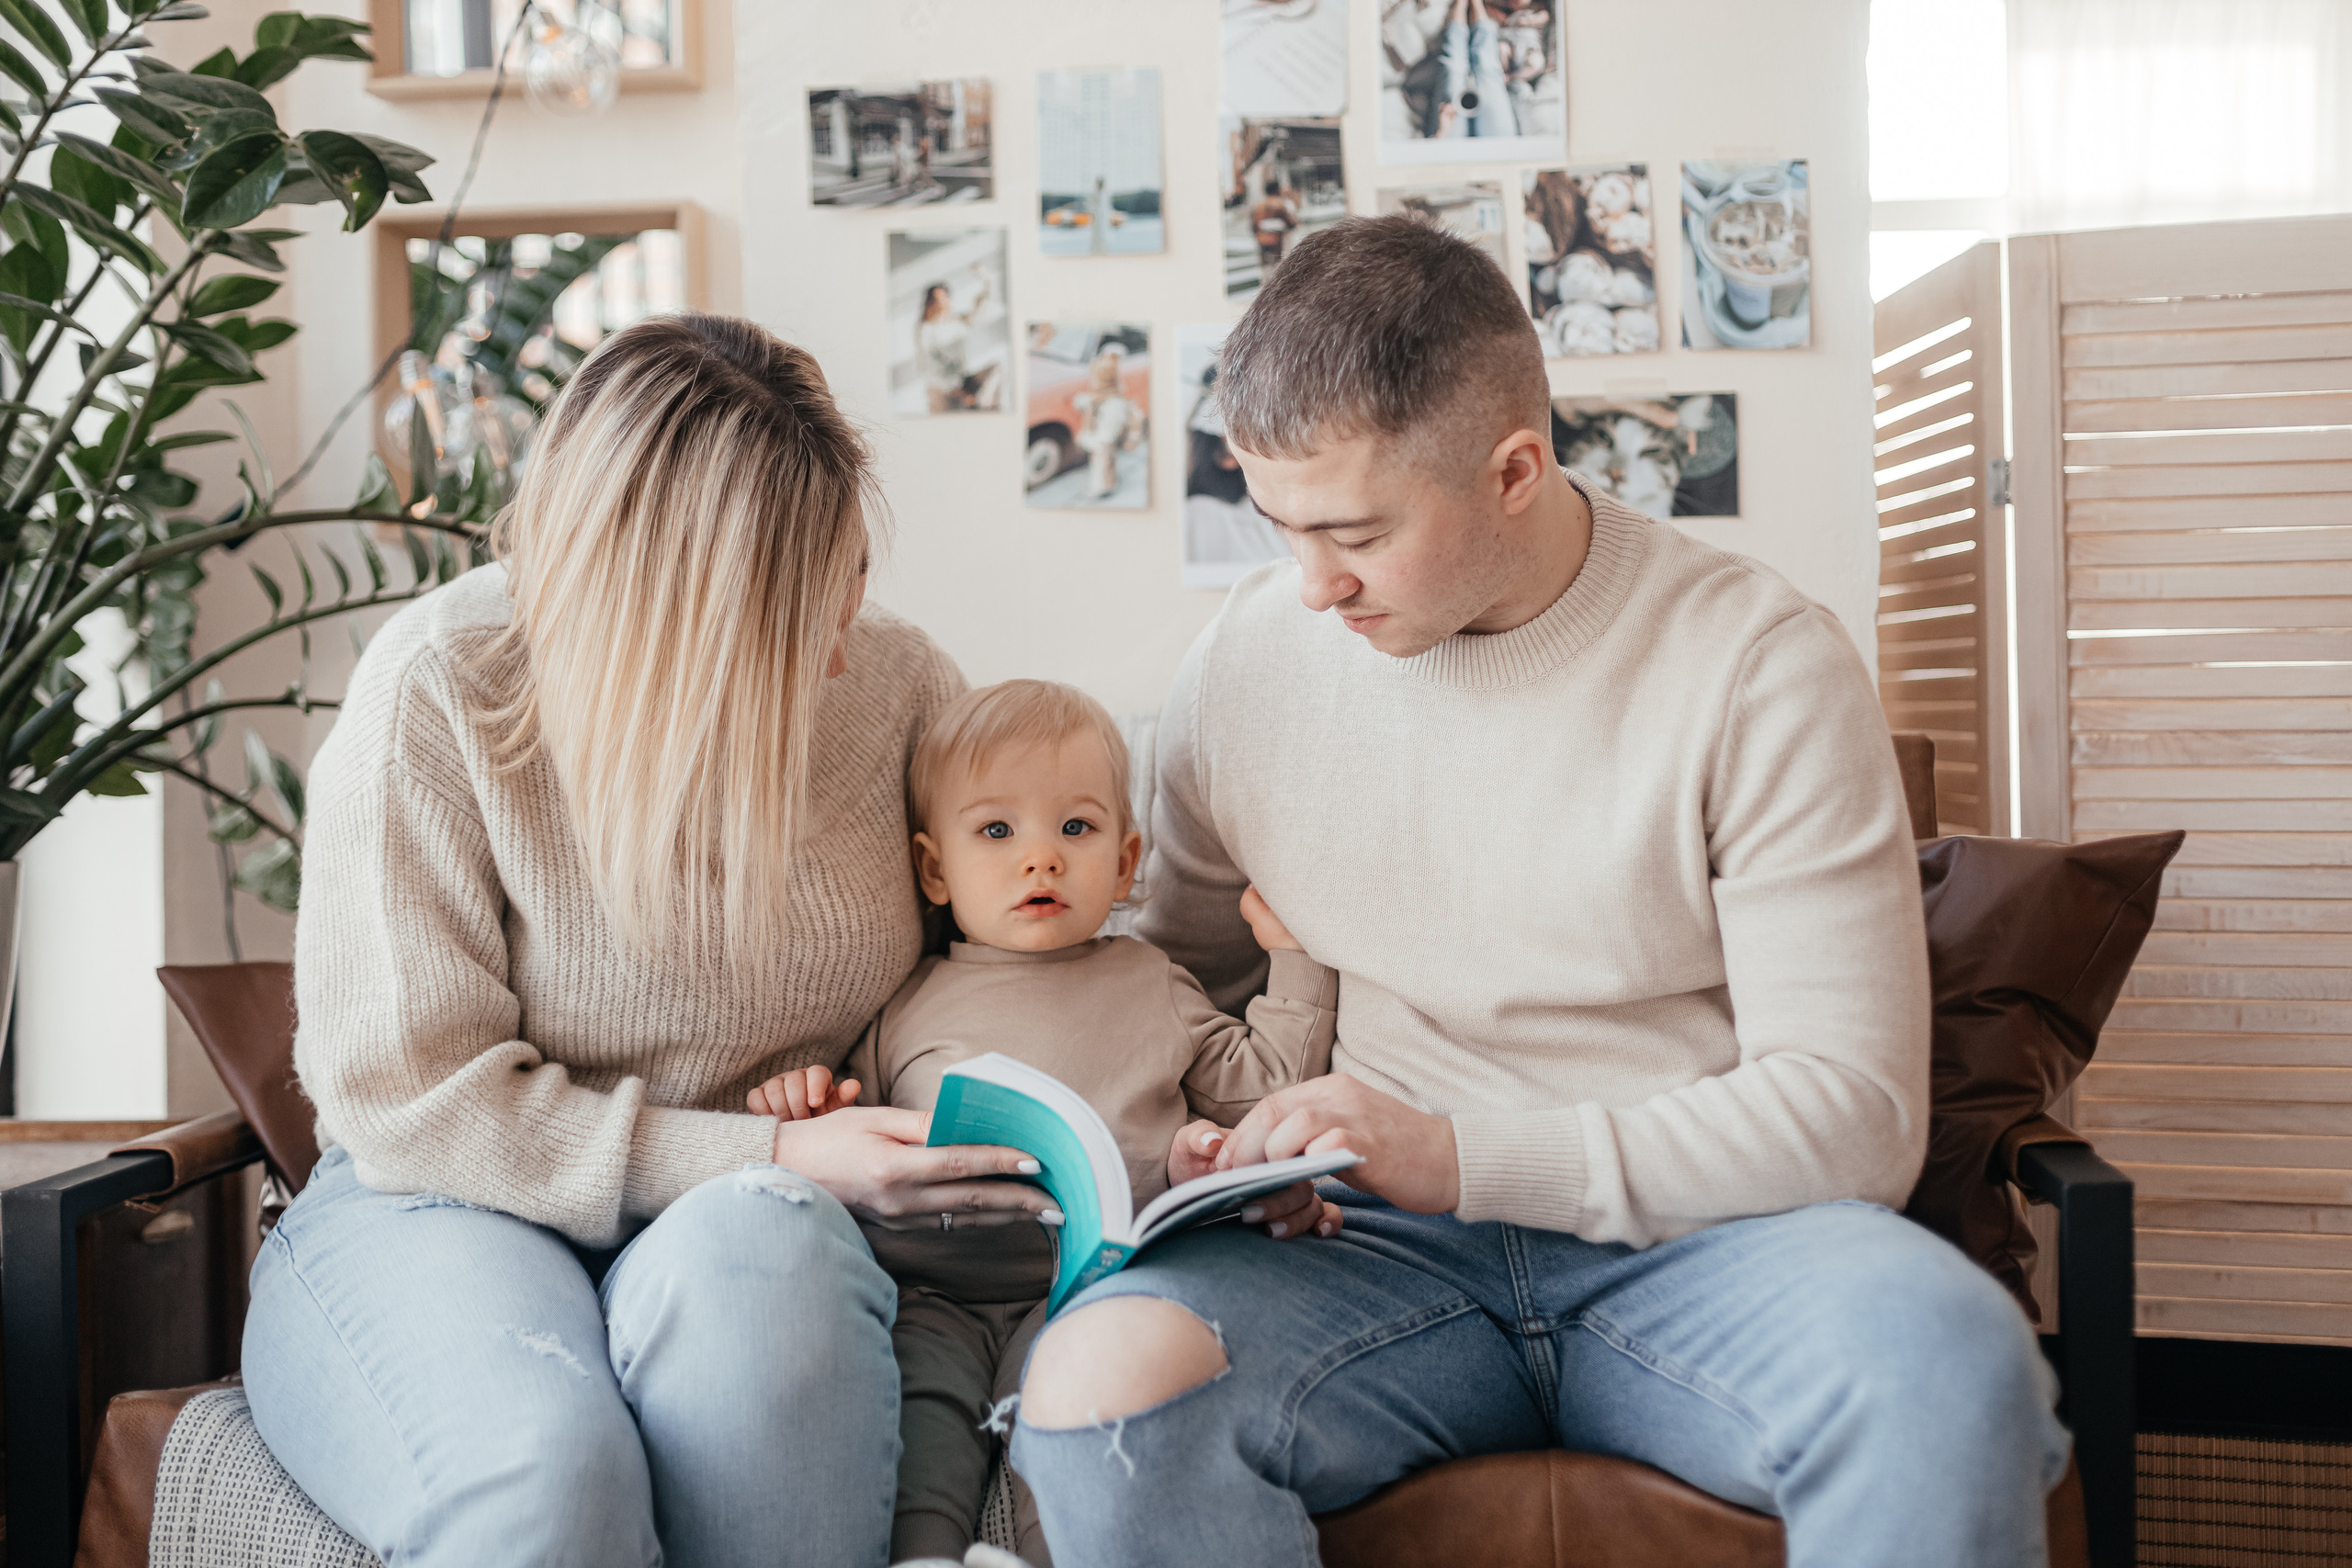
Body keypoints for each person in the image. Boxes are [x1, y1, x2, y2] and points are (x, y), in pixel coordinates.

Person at [1009, 215, 2067, 1567]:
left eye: (1355, 532)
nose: (1312, 586)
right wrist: (1221, 1151)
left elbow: (1852, 1115)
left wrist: (1459, 1154)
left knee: (1947, 1363)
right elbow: (1180, 1004)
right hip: (1359, 1248)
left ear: (1514, 469)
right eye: (1280, 526)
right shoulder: (1246, 666)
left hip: (1713, 1243)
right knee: (1095, 1384)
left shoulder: (1759, 665)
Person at [246, 313, 1059, 1568]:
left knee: (771, 1265)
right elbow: (412, 1104)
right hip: (449, 1197)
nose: (841, 647)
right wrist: (768, 1143)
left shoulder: (898, 684)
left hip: (772, 1211)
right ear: (663, 618)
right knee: (549, 1482)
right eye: (796, 616)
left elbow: (1005, 961)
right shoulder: (443, 688)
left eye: (848, 578)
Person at [751, 680, 1338, 1565]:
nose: (1041, 859)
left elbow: (1263, 1086)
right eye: (997, 830)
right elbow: (849, 1137)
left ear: (1127, 859)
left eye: (1076, 827)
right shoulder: (908, 1000)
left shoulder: (1150, 980)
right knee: (919, 1436)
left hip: (1089, 1290)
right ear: (934, 870)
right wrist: (804, 1105)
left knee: (1068, 1445)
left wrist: (1296, 961)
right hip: (933, 1295)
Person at [1429, 0, 1518, 139]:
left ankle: (1462, 4)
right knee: (1487, 67)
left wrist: (1440, 134)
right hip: (1499, 146)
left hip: (1449, 147)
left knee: (1453, 68)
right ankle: (1475, 3)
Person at [1070, 344, 1141, 502]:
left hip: (1109, 421)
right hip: (1109, 416)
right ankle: (1108, 483)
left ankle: (1103, 487)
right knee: (1105, 452)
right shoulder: (1105, 393)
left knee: (1103, 452)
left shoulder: (1113, 402)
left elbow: (1106, 439)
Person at [920, 276, 996, 413]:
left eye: (945, 298)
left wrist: (987, 281)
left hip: (962, 382)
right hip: (942, 388)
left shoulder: (957, 322)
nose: (942, 303)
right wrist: (960, 390)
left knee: (996, 369)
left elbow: (981, 312)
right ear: (930, 303)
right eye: (937, 300)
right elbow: (933, 363)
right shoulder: (927, 329)